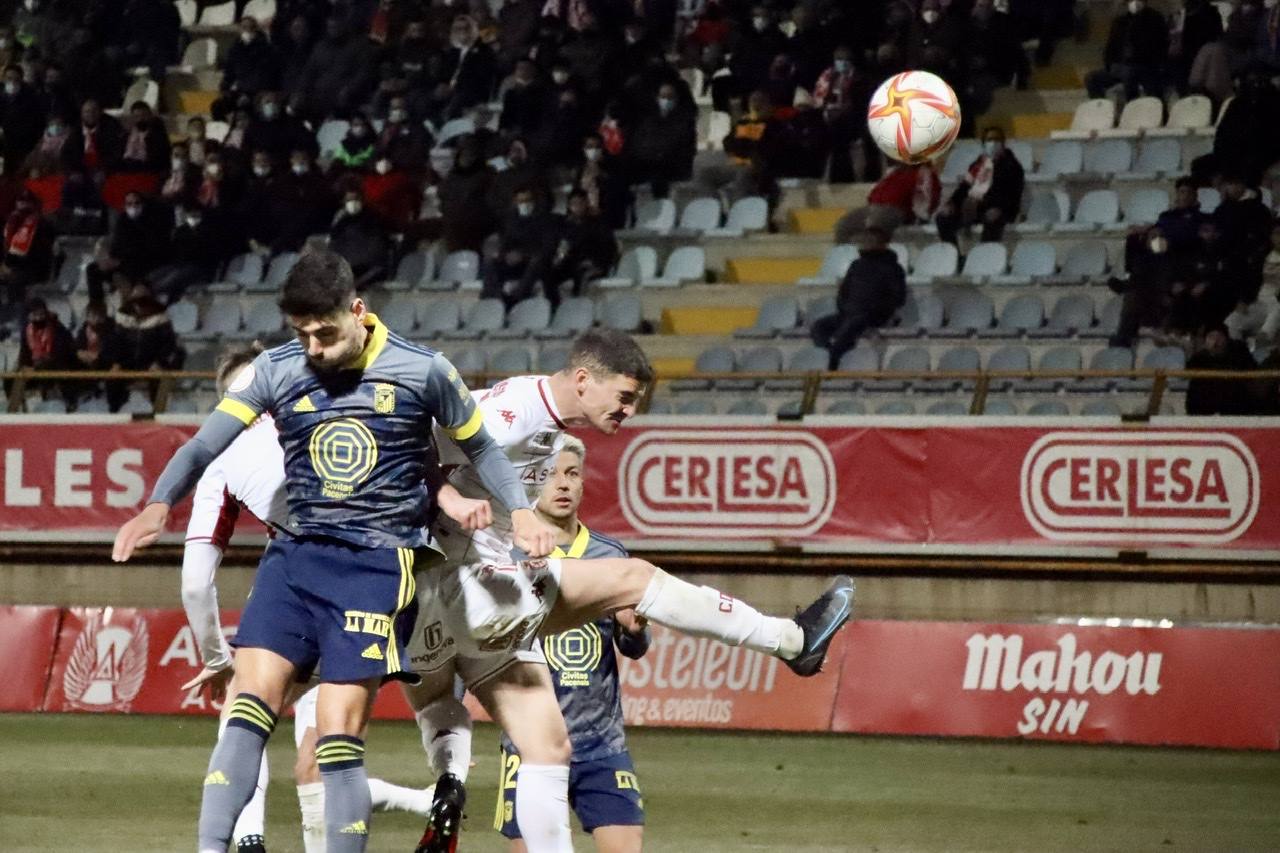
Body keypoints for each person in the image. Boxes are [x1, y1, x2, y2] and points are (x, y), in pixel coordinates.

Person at [112, 249, 549, 853]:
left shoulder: (423, 371)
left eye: (324, 332)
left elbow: (484, 450)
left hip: (377, 566)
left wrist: (521, 511)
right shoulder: (277, 368)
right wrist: (159, 503)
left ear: (358, 312)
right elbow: (203, 445)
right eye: (301, 333)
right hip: (293, 560)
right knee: (246, 711)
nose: (313, 347)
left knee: (336, 736)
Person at [404, 330, 855, 852]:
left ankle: (451, 789)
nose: (629, 411)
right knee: (633, 579)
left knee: (548, 746)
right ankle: (793, 641)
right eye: (623, 397)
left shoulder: (547, 424)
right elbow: (405, 443)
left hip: (449, 597)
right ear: (581, 380)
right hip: (456, 584)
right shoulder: (516, 411)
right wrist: (451, 502)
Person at [178, 344, 465, 853]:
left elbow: (196, 582)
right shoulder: (349, 403)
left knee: (247, 717)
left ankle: (242, 840)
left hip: (317, 574)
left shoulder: (225, 455)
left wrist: (218, 659)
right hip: (395, 575)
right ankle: (442, 783)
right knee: (336, 743)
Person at [495, 438, 648, 853]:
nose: (562, 485)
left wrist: (633, 629)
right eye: (550, 475)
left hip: (601, 744)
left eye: (572, 474)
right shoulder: (505, 553)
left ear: (583, 484)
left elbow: (632, 647)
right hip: (529, 744)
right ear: (530, 481)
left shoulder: (609, 553)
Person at [810, 226, 908, 369]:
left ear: (883, 243)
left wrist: (874, 309)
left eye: (871, 240)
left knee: (848, 330)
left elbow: (898, 298)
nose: (867, 243)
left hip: (873, 316)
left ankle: (832, 363)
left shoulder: (893, 268)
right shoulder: (856, 265)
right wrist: (844, 308)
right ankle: (828, 353)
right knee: (819, 326)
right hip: (849, 313)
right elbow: (844, 292)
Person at [935, 126, 1024, 245]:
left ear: (1003, 143)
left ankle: (984, 255)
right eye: (989, 140)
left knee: (992, 218)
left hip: (999, 208)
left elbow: (1011, 195)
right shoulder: (978, 165)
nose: (992, 143)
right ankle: (954, 254)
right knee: (943, 217)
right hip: (974, 207)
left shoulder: (1012, 166)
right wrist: (952, 203)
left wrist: (991, 205)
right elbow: (964, 187)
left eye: (996, 139)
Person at [835, 161, 941, 243]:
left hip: (898, 211)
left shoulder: (924, 173)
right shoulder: (894, 172)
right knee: (844, 225)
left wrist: (921, 216)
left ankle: (872, 258)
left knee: (875, 222)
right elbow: (874, 193)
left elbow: (929, 199)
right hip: (874, 207)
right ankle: (851, 260)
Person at [483, 187, 555, 307]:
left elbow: (548, 247)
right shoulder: (512, 220)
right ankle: (495, 300)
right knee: (490, 262)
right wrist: (504, 254)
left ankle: (517, 298)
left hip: (537, 262)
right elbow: (506, 242)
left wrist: (524, 255)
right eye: (521, 201)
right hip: (516, 262)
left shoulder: (544, 220)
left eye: (528, 200)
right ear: (515, 202)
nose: (525, 204)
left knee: (536, 261)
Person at [1085, 0, 1168, 100]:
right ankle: (1101, 108)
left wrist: (1137, 19)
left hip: (1145, 66)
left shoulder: (1154, 18)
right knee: (1092, 78)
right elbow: (1111, 46)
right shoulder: (1121, 20)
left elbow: (1158, 45)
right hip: (1120, 66)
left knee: (1130, 73)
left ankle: (1132, 107)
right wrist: (1110, 64)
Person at [547, 190, 619, 305]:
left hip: (595, 264)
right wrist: (559, 258)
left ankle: (579, 307)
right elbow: (563, 246)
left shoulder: (598, 223)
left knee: (581, 275)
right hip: (572, 263)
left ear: (586, 203)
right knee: (549, 274)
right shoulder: (566, 225)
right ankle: (554, 308)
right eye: (573, 204)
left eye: (580, 203)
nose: (577, 207)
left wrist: (595, 261)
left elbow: (610, 248)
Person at [1185, 324, 1260, 414]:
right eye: (1211, 337)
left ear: (1226, 339)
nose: (1216, 341)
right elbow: (1189, 372)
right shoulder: (1200, 357)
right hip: (1206, 405)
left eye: (1219, 336)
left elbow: (1252, 370)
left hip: (1236, 404)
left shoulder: (1239, 352)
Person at [329, 186, 393, 287]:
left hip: (370, 269)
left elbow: (378, 252)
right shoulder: (342, 222)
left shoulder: (374, 220)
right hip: (349, 268)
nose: (353, 203)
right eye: (349, 200)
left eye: (356, 199)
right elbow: (335, 245)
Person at [1, 189, 52, 307]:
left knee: (15, 280)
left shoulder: (41, 224)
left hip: (33, 268)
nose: (23, 205)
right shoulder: (11, 222)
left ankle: (16, 312)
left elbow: (38, 253)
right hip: (12, 265)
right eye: (20, 202)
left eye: (26, 202)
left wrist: (9, 265)